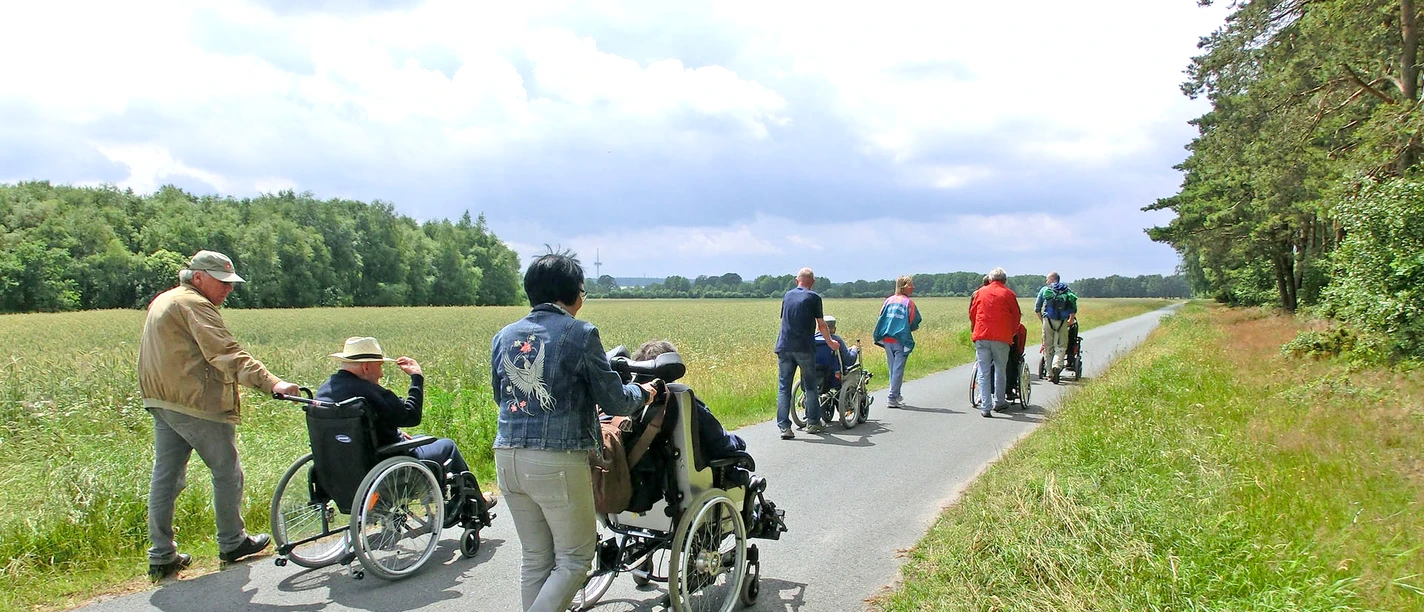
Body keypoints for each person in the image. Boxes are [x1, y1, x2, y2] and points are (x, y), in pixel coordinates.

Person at [491, 251, 658, 612]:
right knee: (575, 558)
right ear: (573, 294)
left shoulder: (502, 336)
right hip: (556, 462)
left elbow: (499, 396)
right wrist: (645, 392)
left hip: (505, 457)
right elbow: (614, 400)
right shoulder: (580, 333)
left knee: (536, 558)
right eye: (583, 291)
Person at [138, 250, 300, 580]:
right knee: (228, 472)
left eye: (231, 283)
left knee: (167, 477)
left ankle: (161, 554)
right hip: (196, 401)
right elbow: (226, 353)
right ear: (199, 278)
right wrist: (272, 383)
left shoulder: (165, 300)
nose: (229, 289)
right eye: (222, 282)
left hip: (163, 400)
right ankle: (232, 541)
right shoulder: (195, 305)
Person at [315, 336, 495, 527]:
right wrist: (417, 378)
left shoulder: (324, 392)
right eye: (380, 367)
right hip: (384, 463)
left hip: (339, 467)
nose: (381, 374)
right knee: (447, 446)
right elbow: (411, 416)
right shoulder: (368, 392)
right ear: (366, 367)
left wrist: (395, 432)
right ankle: (474, 504)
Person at [631, 340, 747, 461]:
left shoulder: (627, 405)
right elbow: (721, 444)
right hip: (689, 475)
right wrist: (739, 442)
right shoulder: (681, 398)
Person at [775, 268, 838, 439]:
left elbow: (786, 319)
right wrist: (830, 342)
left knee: (784, 387)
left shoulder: (787, 296)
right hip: (804, 348)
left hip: (784, 346)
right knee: (810, 386)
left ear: (797, 280)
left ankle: (784, 427)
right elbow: (822, 324)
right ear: (813, 282)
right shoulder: (814, 297)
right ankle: (813, 423)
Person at [968, 267, 1022, 417]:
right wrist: (1011, 332)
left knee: (983, 371)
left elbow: (972, 314)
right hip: (1001, 337)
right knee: (1000, 369)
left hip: (981, 335)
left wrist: (975, 329)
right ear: (1004, 281)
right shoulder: (1009, 294)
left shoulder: (980, 293)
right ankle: (999, 401)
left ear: (991, 279)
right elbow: (1016, 316)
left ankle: (986, 406)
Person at [873, 275, 921, 408]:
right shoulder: (908, 303)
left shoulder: (888, 301)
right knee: (898, 369)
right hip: (900, 339)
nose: (913, 287)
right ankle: (892, 397)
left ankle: (896, 393)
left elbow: (881, 315)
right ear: (904, 286)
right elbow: (913, 321)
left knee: (892, 369)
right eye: (911, 285)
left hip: (887, 339)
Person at [1033, 272, 1078, 384]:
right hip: (1062, 321)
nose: (1046, 281)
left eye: (1047, 279)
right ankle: (1057, 365)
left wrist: (1042, 320)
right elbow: (1073, 306)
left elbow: (1037, 308)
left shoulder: (1045, 290)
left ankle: (1050, 374)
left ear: (1052, 279)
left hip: (1048, 320)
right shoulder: (1066, 290)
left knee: (1048, 347)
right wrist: (1070, 320)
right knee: (1061, 346)